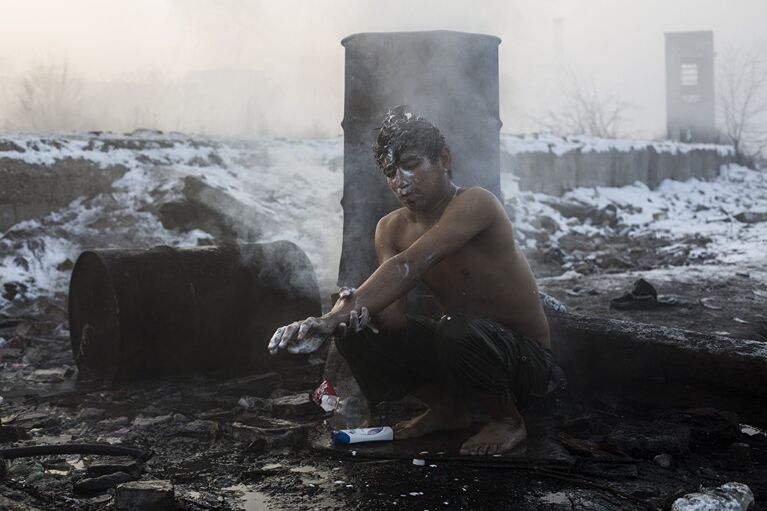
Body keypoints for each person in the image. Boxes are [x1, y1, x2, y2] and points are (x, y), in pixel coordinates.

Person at [269, 106, 563, 456]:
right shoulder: (390, 228)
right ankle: (447, 408)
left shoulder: (476, 203)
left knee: (454, 329)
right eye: (391, 171)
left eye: (411, 164)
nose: (401, 181)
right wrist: (345, 320)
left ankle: (508, 419)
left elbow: (409, 265)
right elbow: (394, 320)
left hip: (526, 366)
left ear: (444, 158)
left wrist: (331, 318)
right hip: (462, 357)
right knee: (359, 329)